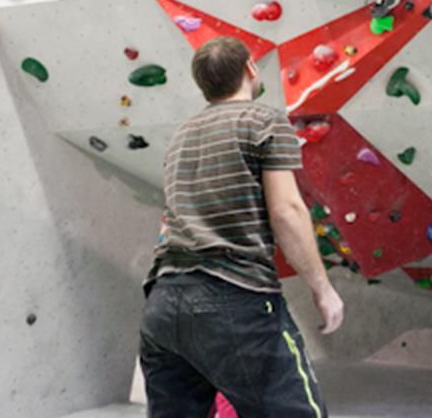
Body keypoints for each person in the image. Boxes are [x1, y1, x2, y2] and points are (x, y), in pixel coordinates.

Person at [140, 37, 342, 418]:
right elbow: (286, 211)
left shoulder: (181, 137)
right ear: (250, 69)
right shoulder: (263, 121)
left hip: (163, 303)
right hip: (234, 299)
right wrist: (323, 289)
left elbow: (168, 222)